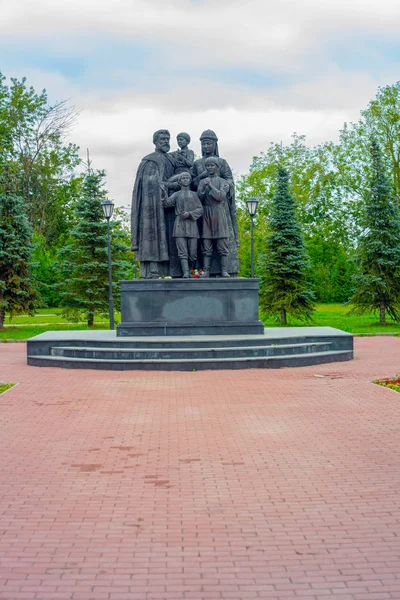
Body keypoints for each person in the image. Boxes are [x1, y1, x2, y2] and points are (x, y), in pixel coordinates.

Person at [192, 129, 239, 276]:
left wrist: (220, 185)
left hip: (220, 207)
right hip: (204, 208)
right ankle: (203, 271)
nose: (206, 146)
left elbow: (230, 180)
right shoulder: (197, 164)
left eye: (209, 143)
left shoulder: (222, 162)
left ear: (214, 144)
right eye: (204, 144)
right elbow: (193, 183)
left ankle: (225, 270)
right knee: (205, 241)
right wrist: (203, 178)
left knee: (222, 240)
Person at [131, 129, 177, 278]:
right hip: (154, 204)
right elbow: (148, 182)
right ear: (155, 141)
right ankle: (152, 269)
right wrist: (165, 186)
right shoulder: (150, 160)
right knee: (153, 232)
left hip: (172, 205)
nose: (165, 142)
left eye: (167, 139)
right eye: (162, 139)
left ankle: (173, 270)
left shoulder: (171, 159)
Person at [162, 172, 204, 277]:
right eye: (183, 178)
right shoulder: (176, 194)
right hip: (180, 224)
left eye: (187, 178)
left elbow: (200, 209)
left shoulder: (194, 195)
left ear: (190, 181)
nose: (185, 179)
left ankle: (190, 271)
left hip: (192, 225)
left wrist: (190, 214)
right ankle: (185, 272)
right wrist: (163, 192)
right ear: (180, 181)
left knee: (193, 253)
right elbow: (167, 204)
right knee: (182, 252)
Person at [197, 156, 232, 278]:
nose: (209, 168)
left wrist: (210, 186)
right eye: (207, 166)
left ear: (217, 167)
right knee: (206, 243)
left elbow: (221, 196)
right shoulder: (202, 181)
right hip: (206, 213)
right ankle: (206, 271)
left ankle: (224, 270)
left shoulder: (223, 182)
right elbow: (198, 199)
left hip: (219, 213)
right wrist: (201, 190)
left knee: (222, 243)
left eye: (212, 165)